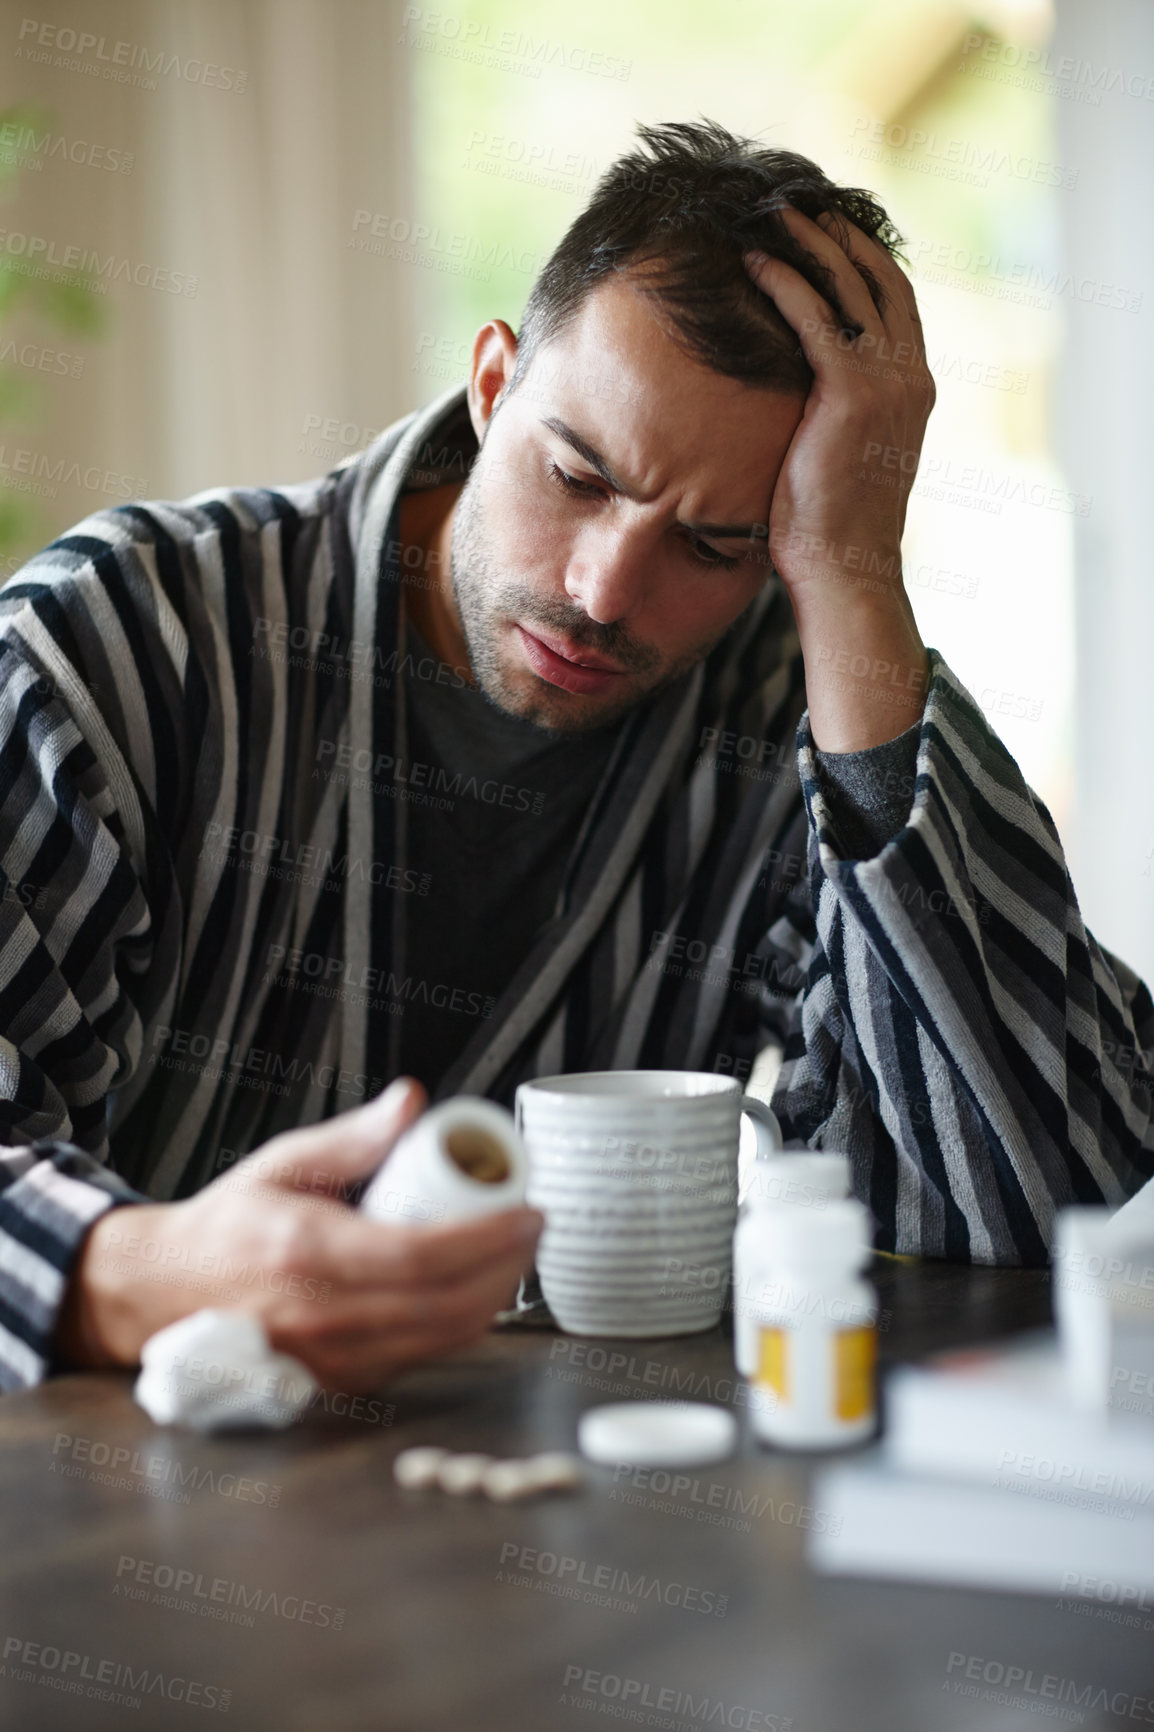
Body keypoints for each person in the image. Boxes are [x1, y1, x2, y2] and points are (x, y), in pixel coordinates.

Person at [0, 119, 1149, 1395]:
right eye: (576, 475)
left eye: (714, 544)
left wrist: (853, 581)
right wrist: (132, 1271)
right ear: (492, 381)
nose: (604, 592)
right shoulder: (117, 644)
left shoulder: (784, 720)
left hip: (578, 1534)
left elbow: (1051, 1203)